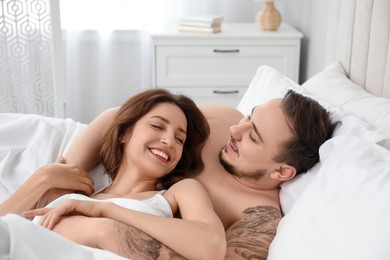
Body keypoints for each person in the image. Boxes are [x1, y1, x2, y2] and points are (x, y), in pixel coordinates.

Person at [8, 89, 338, 259]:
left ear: (282, 170)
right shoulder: (224, 118)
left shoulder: (257, 217)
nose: (236, 131)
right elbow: (134, 116)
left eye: (253, 136)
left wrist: (99, 225)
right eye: (249, 117)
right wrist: (64, 178)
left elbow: (210, 251)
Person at [1, 89, 226, 259]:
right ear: (124, 134)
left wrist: (104, 212)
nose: (169, 141)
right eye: (158, 126)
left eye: (180, 139)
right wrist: (43, 178)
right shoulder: (80, 192)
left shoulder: (178, 192)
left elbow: (212, 246)